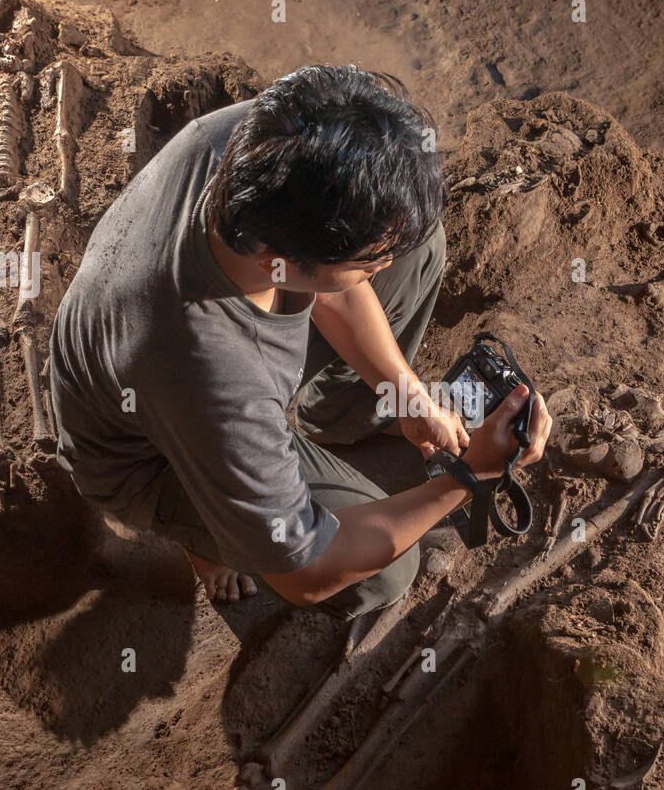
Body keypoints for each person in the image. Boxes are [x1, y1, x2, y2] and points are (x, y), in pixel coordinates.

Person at [47, 64, 551, 620]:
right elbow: (306, 575)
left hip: (160, 357)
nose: (381, 268)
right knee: (383, 574)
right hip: (146, 453)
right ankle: (207, 532)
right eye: (367, 264)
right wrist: (469, 475)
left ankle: (327, 422)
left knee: (414, 240)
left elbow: (331, 274)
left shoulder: (266, 139)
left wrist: (409, 394)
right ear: (279, 265)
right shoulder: (214, 372)